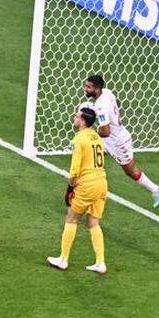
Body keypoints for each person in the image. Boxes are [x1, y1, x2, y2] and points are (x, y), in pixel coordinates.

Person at [80, 74, 159, 207]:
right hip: (110, 139)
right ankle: (88, 191)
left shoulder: (101, 106)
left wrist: (92, 133)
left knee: (131, 172)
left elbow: (105, 132)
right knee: (89, 156)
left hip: (118, 142)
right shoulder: (107, 92)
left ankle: (156, 189)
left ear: (97, 89)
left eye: (88, 87)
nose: (85, 89)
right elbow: (116, 104)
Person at [49, 108, 110, 274]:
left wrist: (70, 187)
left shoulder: (79, 139)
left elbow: (75, 170)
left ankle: (63, 259)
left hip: (87, 184)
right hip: (102, 182)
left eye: (77, 116)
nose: (74, 118)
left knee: (72, 218)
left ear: (82, 121)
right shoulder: (96, 136)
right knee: (93, 222)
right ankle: (100, 262)